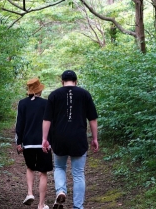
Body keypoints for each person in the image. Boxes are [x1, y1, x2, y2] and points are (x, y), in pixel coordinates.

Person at [42, 70, 98, 209]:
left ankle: (61, 190)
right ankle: (78, 207)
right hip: (78, 138)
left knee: (60, 167)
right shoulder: (84, 94)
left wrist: (44, 138)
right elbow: (92, 118)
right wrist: (95, 138)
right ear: (76, 81)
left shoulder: (54, 95)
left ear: (62, 81)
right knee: (78, 173)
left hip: (59, 138)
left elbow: (47, 119)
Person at [16, 78, 53, 209]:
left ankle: (30, 193)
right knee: (43, 172)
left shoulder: (22, 103)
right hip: (44, 143)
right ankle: (41, 205)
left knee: (30, 168)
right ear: (40, 90)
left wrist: (19, 142)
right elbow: (50, 123)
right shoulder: (46, 103)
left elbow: (19, 124)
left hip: (28, 143)